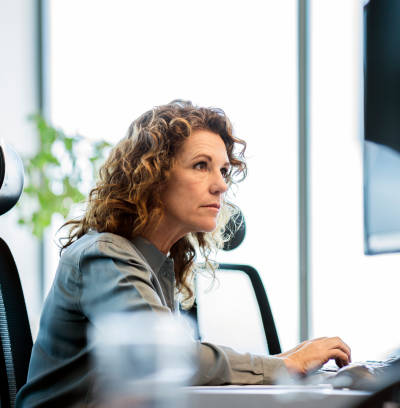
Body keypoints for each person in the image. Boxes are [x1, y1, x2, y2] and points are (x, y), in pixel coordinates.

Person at [16, 100, 351, 407]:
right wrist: (284, 365)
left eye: (222, 171)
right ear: (152, 176)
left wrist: (285, 360)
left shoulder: (156, 261)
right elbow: (168, 356)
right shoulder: (104, 255)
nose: (221, 185)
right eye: (201, 165)